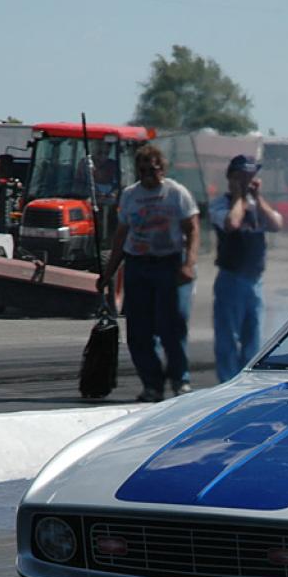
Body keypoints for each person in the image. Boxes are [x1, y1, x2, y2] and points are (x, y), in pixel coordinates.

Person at [104, 144, 200, 403]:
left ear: (163, 169)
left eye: (154, 169)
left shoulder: (176, 193)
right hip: (137, 265)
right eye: (144, 169)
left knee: (172, 327)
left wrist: (188, 264)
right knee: (139, 331)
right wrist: (108, 273)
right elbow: (121, 236)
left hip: (169, 264)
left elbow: (192, 229)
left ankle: (180, 380)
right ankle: (152, 385)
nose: (149, 173)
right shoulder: (130, 196)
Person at [209, 154, 283, 383]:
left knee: (253, 337)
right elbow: (231, 223)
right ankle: (227, 382)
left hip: (254, 279)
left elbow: (276, 224)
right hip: (231, 278)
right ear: (231, 177)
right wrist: (238, 196)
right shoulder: (221, 204)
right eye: (242, 176)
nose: (247, 181)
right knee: (228, 339)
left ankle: (248, 383)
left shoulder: (258, 205)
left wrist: (257, 197)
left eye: (250, 176)